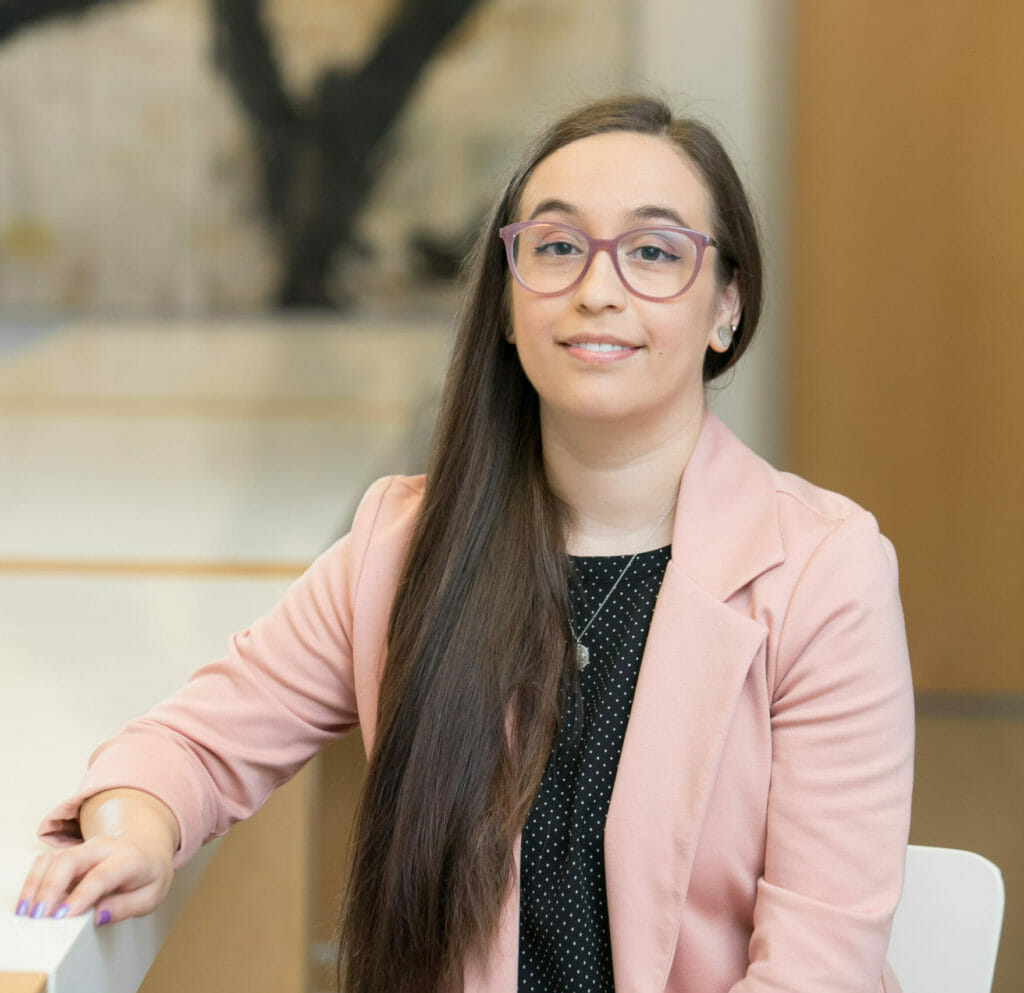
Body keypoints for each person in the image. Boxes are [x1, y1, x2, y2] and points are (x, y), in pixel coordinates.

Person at [16, 95, 914, 993]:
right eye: (557, 247)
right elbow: (195, 747)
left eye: (653, 252)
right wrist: (137, 828)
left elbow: (817, 972)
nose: (598, 289)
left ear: (726, 307)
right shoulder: (404, 545)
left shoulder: (824, 573)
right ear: (507, 302)